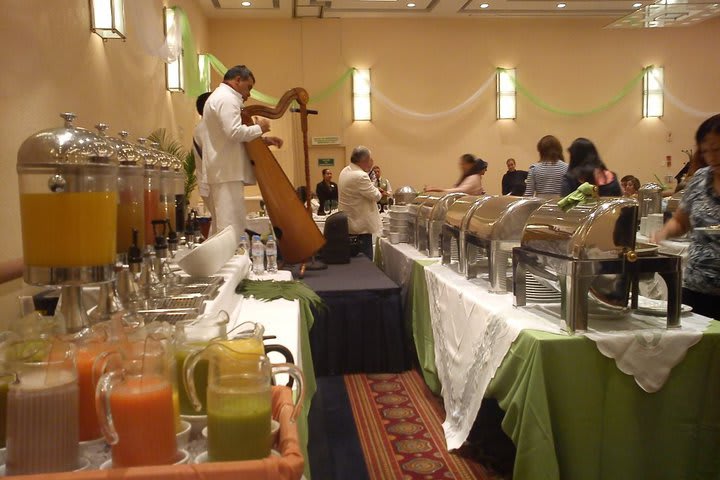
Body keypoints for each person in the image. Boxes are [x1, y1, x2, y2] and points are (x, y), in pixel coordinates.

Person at [201, 65, 282, 241]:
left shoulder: (221, 96)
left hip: (224, 170)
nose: (249, 94)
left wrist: (264, 140)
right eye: (249, 87)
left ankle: (225, 265)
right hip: (226, 172)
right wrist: (259, 128)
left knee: (225, 226)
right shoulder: (227, 98)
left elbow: (228, 138)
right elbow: (234, 132)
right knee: (230, 226)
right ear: (238, 80)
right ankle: (230, 265)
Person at [651, 114, 720, 319]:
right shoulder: (700, 178)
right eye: (706, 151)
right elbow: (681, 221)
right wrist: (663, 232)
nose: (712, 157)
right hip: (696, 287)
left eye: (717, 149)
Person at [338, 146, 383, 260]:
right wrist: (377, 189)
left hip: (349, 223)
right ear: (364, 160)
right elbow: (376, 196)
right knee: (365, 262)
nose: (371, 162)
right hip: (361, 227)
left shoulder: (345, 170)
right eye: (370, 159)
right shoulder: (360, 176)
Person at [192, 92, 214, 231]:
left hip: (211, 182)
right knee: (222, 224)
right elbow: (212, 158)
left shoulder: (207, 127)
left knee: (220, 224)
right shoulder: (205, 128)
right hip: (212, 184)